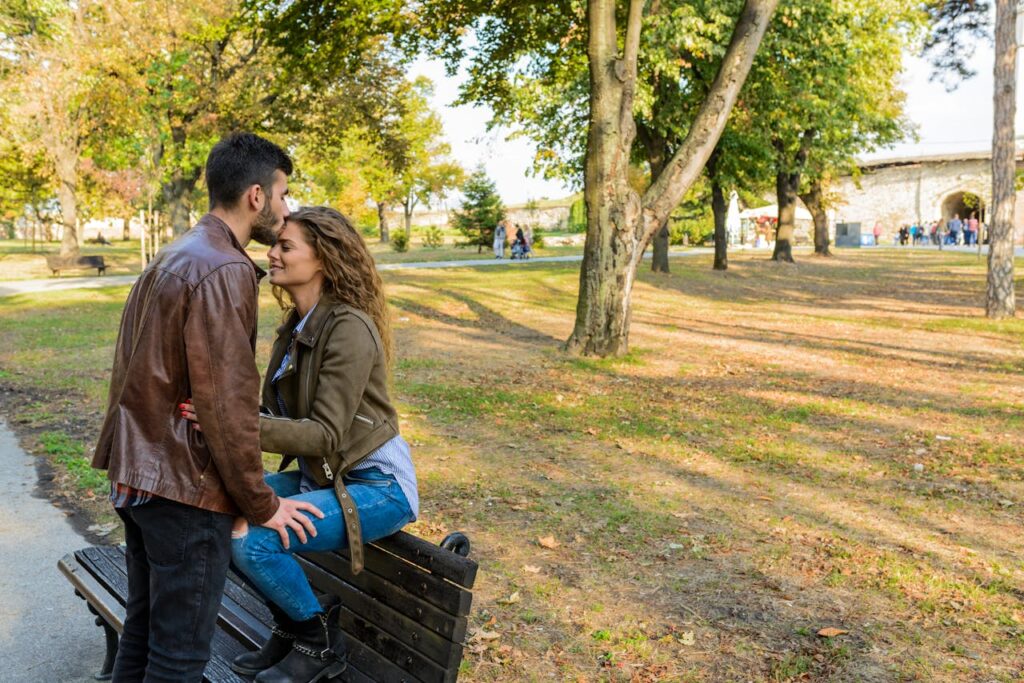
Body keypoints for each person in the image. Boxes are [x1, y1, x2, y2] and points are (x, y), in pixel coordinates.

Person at [91, 133, 322, 683]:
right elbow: (225, 409)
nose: (286, 208)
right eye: (283, 194)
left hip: (142, 478)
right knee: (179, 657)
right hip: (182, 488)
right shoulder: (225, 269)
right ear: (256, 196)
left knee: (144, 635)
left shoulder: (176, 252)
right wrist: (262, 504)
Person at [183, 206, 418, 682]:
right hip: (324, 476)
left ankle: (318, 643)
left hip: (377, 486)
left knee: (254, 542)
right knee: (216, 509)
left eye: (285, 247)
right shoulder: (296, 325)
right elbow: (277, 416)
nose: (270, 253)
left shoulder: (348, 327)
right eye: (275, 245)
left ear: (324, 261)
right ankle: (293, 626)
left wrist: (231, 423)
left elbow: (326, 434)